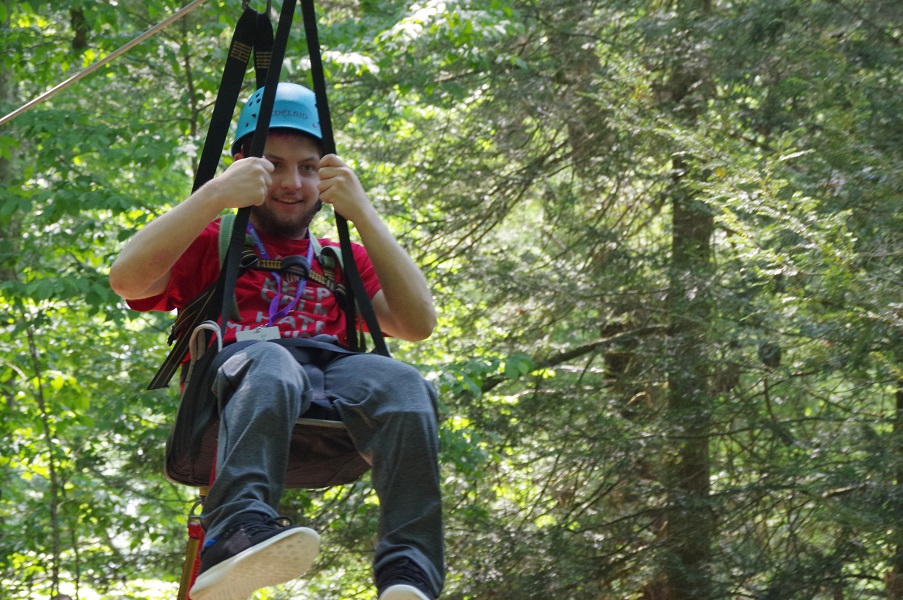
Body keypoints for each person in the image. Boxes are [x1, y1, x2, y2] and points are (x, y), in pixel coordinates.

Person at [109, 83, 444, 600]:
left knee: (403, 383)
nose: (292, 182)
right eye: (274, 164)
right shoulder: (213, 243)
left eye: (308, 168)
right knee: (270, 361)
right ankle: (235, 532)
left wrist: (364, 215)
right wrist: (215, 194)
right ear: (245, 164)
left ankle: (409, 570)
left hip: (329, 392)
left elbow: (418, 323)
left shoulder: (339, 260)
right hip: (235, 392)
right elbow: (128, 280)